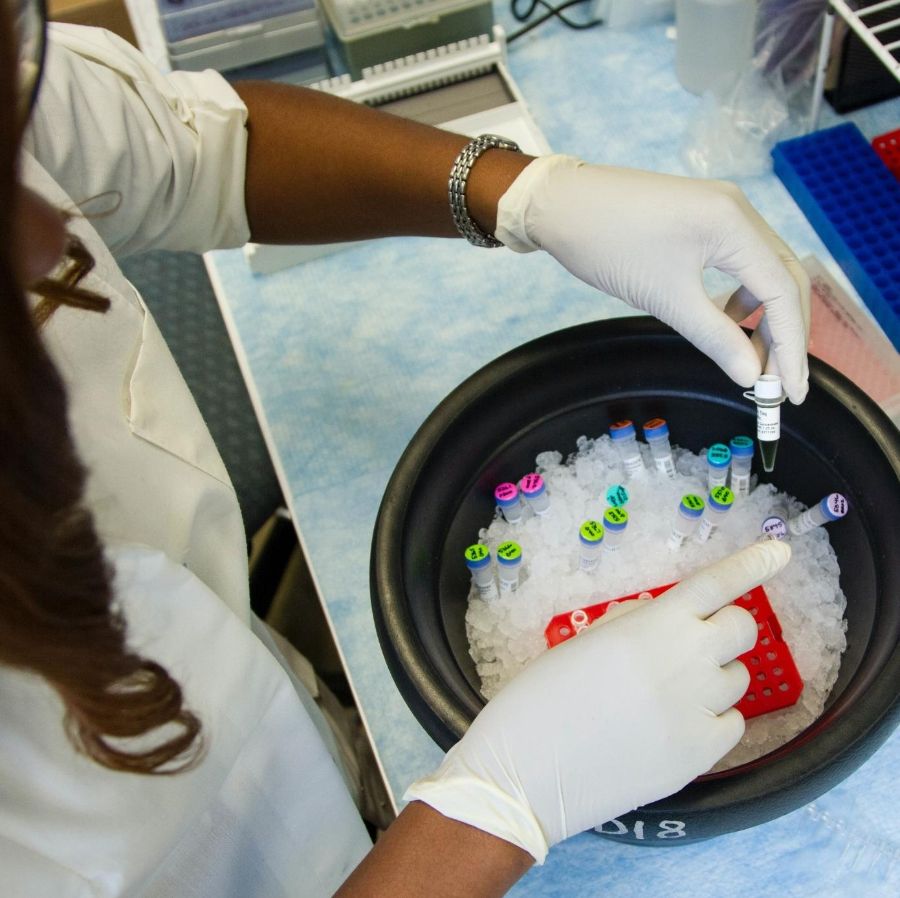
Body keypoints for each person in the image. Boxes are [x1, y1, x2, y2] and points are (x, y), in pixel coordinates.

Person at [1, 2, 808, 895]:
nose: (54, 236)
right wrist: (496, 811)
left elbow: (196, 149)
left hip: (259, 716)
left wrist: (527, 192)